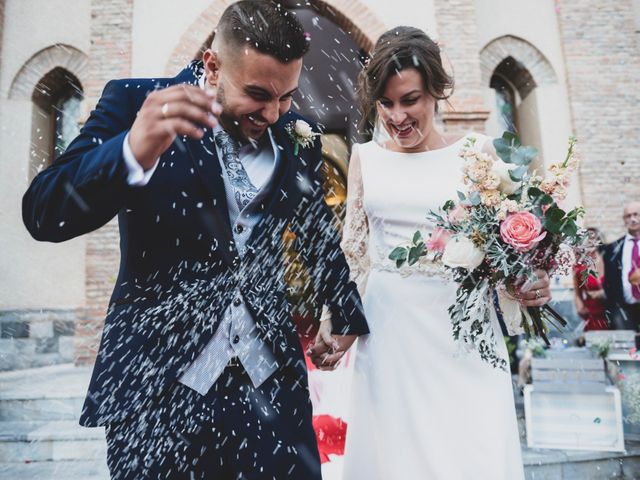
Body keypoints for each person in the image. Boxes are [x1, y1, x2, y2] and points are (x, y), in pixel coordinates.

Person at [22, 2, 368, 478]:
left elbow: (314, 231)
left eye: (286, 96)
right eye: (257, 94)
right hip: (157, 390)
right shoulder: (135, 103)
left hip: (271, 387)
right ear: (212, 64)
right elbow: (44, 213)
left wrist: (345, 309)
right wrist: (128, 151)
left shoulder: (295, 134)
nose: (273, 112)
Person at [309, 27, 552, 479]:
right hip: (390, 334)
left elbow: (509, 251)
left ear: (436, 92)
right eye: (386, 104)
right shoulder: (365, 158)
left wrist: (528, 280)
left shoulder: (476, 155)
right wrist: (336, 324)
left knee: (472, 451)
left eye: (410, 100)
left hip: (464, 335)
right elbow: (354, 255)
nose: (397, 116)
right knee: (397, 456)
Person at [603, 201, 640, 345]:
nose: (632, 219)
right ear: (624, 220)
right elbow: (609, 280)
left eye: (636, 214)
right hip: (625, 310)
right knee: (629, 352)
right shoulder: (613, 248)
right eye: (628, 216)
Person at [573, 227, 608, 331]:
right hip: (592, 315)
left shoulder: (609, 260)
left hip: (612, 311)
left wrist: (603, 293)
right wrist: (579, 307)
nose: (589, 241)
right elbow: (577, 293)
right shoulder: (579, 267)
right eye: (586, 239)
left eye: (593, 238)